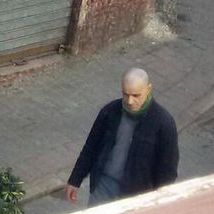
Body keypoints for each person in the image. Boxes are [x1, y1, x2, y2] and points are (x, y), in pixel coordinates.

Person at [64, 68, 179, 206]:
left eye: (136, 95)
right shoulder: (110, 112)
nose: (130, 101)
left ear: (149, 89)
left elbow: (167, 170)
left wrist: (159, 201)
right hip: (103, 188)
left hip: (137, 197)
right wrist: (75, 180)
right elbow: (91, 147)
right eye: (126, 94)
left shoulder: (163, 123)